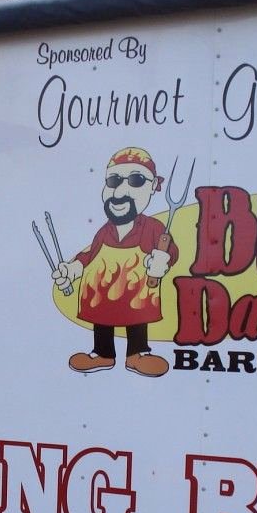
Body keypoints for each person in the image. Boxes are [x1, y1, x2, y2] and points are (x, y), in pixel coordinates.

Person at [52, 147, 178, 377]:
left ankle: (136, 354)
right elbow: (90, 255)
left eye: (136, 180)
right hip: (101, 293)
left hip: (136, 292)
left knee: (136, 318)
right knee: (102, 320)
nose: (120, 191)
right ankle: (103, 354)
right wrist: (73, 269)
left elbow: (171, 251)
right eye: (114, 180)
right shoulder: (104, 231)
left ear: (152, 186)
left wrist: (163, 261)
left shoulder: (152, 228)